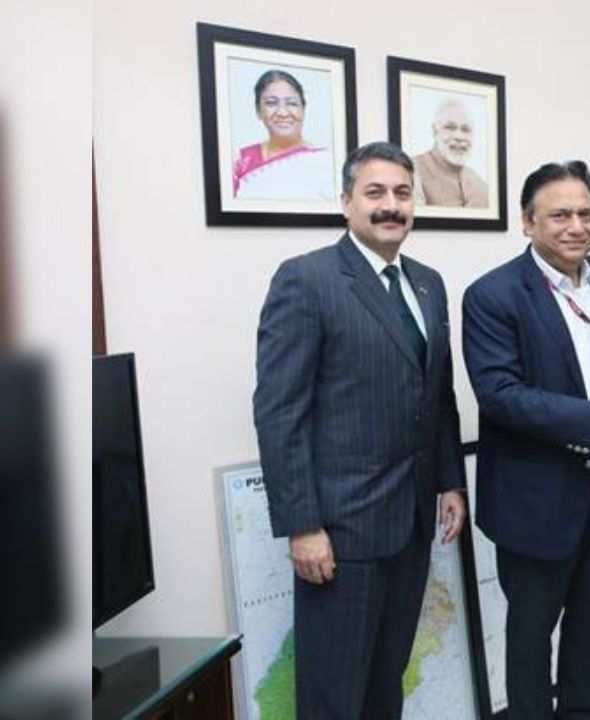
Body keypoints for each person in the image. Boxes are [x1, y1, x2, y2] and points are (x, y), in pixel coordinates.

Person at [253, 141, 467, 718]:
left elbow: (438, 393)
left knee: (384, 685)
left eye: (402, 193)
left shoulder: (428, 284)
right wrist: (302, 526)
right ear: (346, 201)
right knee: (333, 696)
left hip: (412, 524)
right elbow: (279, 412)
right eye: (375, 193)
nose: (390, 205)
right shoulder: (307, 280)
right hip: (341, 533)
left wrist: (450, 481)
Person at [462, 160, 590, 718]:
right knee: (531, 640)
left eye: (586, 214)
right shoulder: (493, 295)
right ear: (527, 222)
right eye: (560, 215)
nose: (576, 226)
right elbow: (501, 394)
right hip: (535, 497)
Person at [233, 69, 334, 200]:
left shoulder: (326, 162)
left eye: (292, 104)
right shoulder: (241, 161)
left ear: (303, 109)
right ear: (258, 110)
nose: (282, 113)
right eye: (271, 103)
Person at [413, 99, 489, 208]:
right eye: (450, 128)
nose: (459, 137)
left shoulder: (480, 185)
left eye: (466, 130)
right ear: (434, 131)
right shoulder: (413, 170)